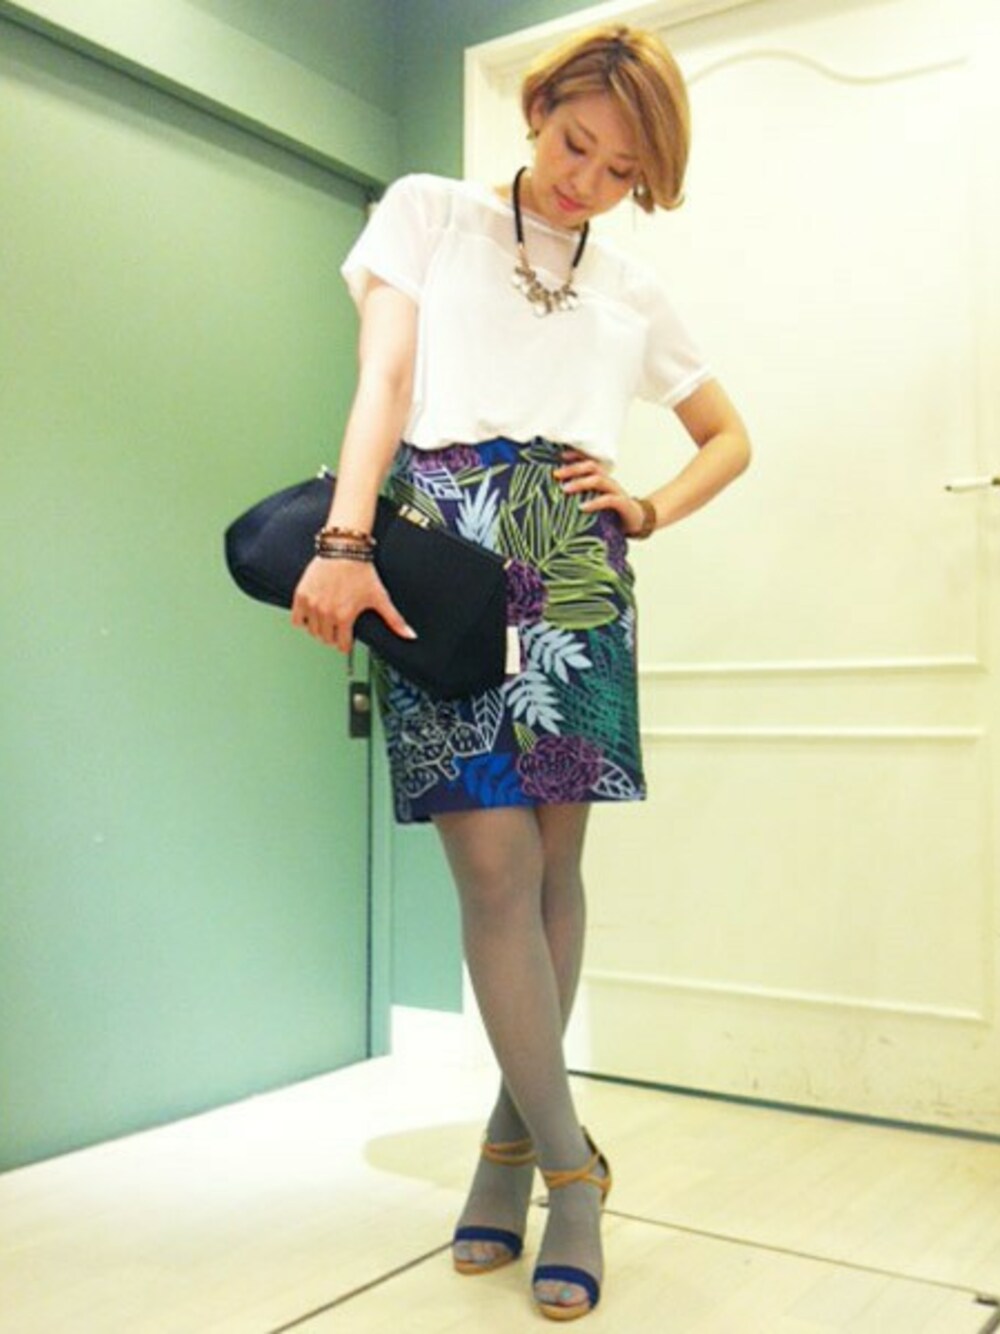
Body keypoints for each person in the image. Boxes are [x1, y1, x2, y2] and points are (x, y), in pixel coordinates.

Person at [291, 22, 751, 1323]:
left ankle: (507, 1150)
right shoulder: (428, 212)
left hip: (575, 567)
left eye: (620, 172)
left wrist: (647, 507)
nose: (583, 182)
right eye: (572, 143)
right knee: (491, 868)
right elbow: (385, 378)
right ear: (537, 107)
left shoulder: (634, 287)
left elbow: (727, 436)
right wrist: (344, 540)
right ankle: (574, 1168)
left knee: (555, 868)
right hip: (440, 550)